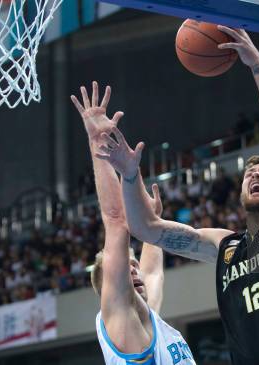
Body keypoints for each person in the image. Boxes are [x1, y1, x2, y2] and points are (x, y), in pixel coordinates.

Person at [95, 27, 259, 365]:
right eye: (249, 173)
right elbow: (146, 228)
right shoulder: (225, 246)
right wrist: (130, 175)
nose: (255, 173)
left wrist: (258, 65)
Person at [71, 83, 196, 365]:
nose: (135, 268)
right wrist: (98, 142)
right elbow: (117, 221)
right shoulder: (118, 315)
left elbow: (153, 267)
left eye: (134, 264)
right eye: (126, 268)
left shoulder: (151, 317)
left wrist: (150, 218)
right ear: (108, 286)